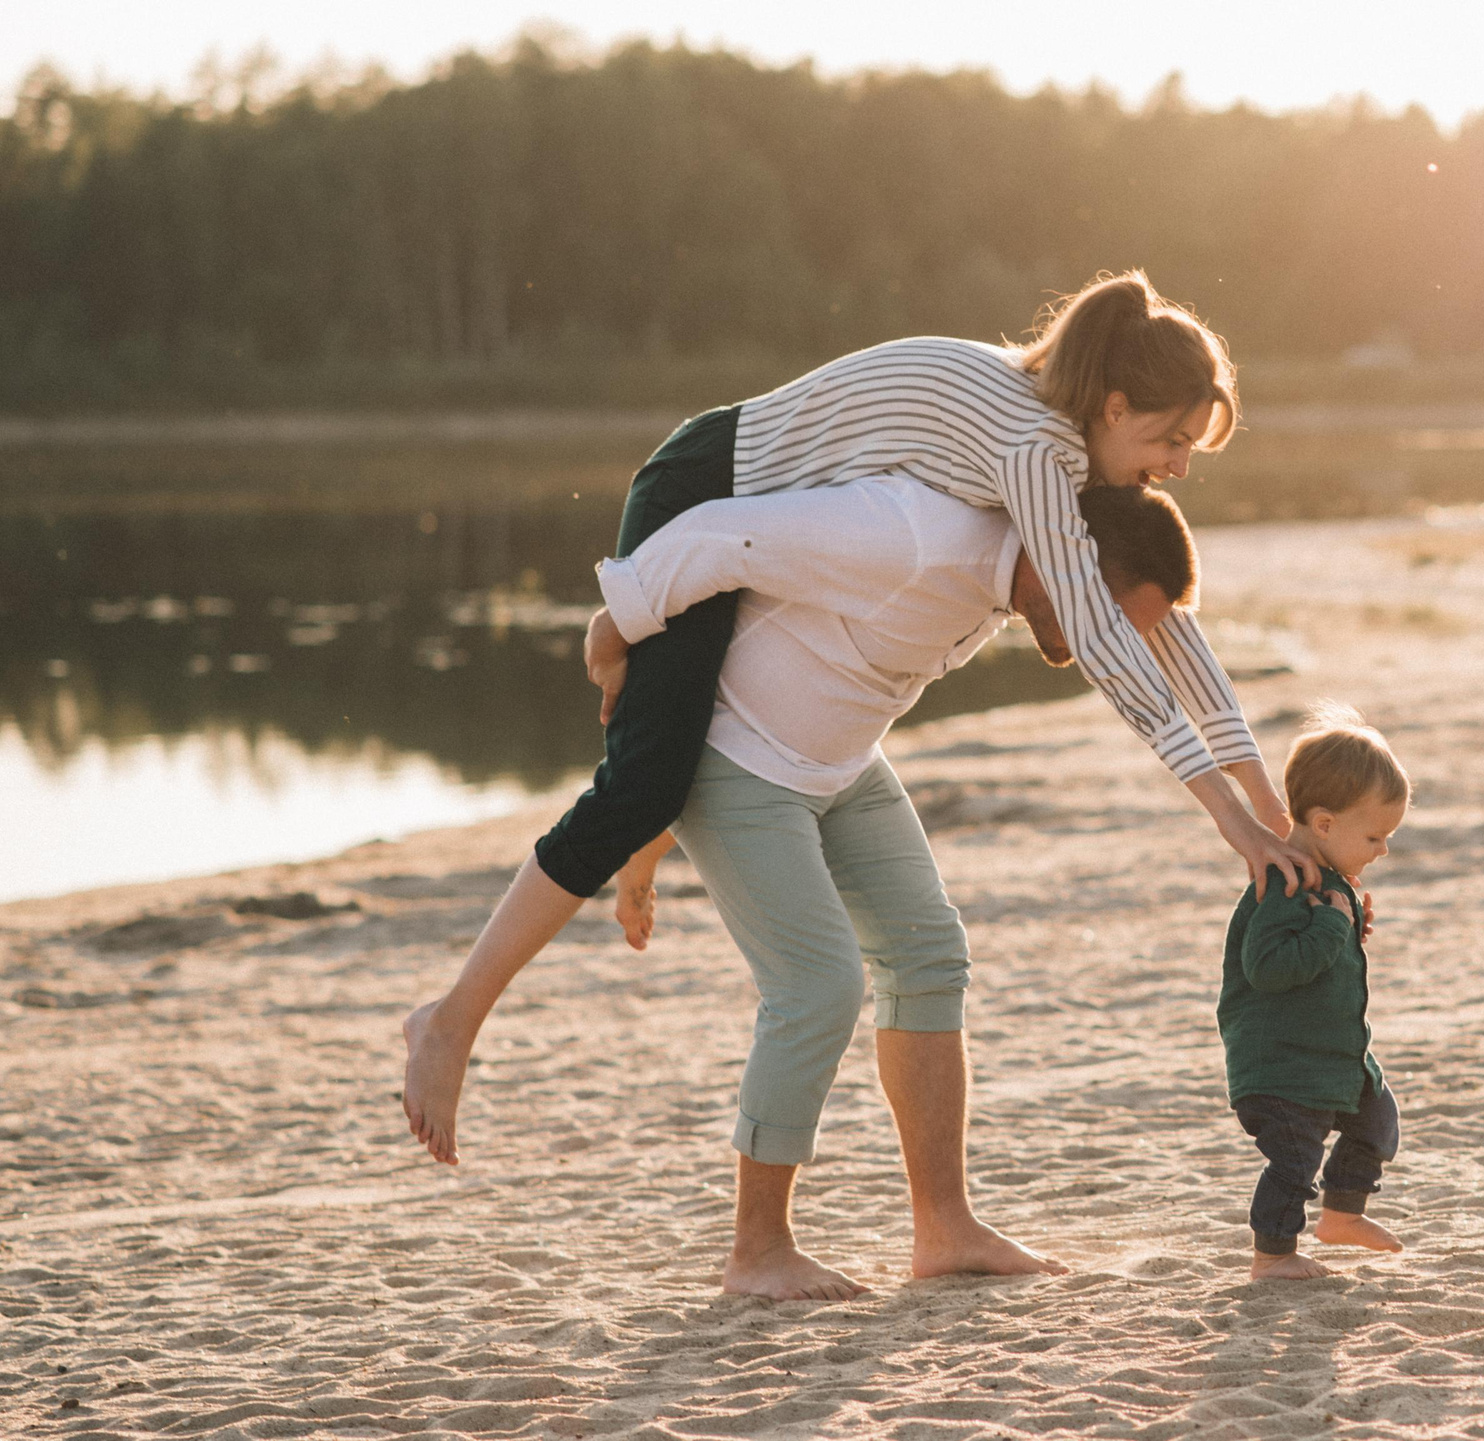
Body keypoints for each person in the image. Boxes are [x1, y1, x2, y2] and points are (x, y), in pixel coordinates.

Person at [403, 272, 1323, 1179]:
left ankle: (643, 806)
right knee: (644, 780)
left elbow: (1159, 627)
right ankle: (451, 1019)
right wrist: (624, 617)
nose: (1179, 466)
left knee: (669, 759)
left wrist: (1265, 804)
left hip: (741, 521)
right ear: (1114, 407)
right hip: (703, 486)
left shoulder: (1062, 443)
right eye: (1171, 439)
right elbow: (1098, 630)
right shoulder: (1038, 449)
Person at [591, 476, 1198, 1297]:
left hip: (841, 757)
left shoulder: (998, 587)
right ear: (1072, 558)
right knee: (817, 986)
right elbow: (725, 535)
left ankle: (944, 1227)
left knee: (929, 955)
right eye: (1116, 616)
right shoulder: (918, 541)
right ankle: (757, 1248)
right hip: (738, 755)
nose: (1111, 643)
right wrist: (617, 622)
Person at [1219, 705, 1411, 1280]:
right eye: (1375, 836)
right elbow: (1268, 968)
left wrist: (1346, 927)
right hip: (1284, 1066)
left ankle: (1342, 1216)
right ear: (1324, 824)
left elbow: (1319, 955)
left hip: (1333, 1056)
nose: (1383, 850)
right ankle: (1272, 1255)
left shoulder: (1329, 881)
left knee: (1377, 1121)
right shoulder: (1285, 881)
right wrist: (1330, 927)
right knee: (1295, 1159)